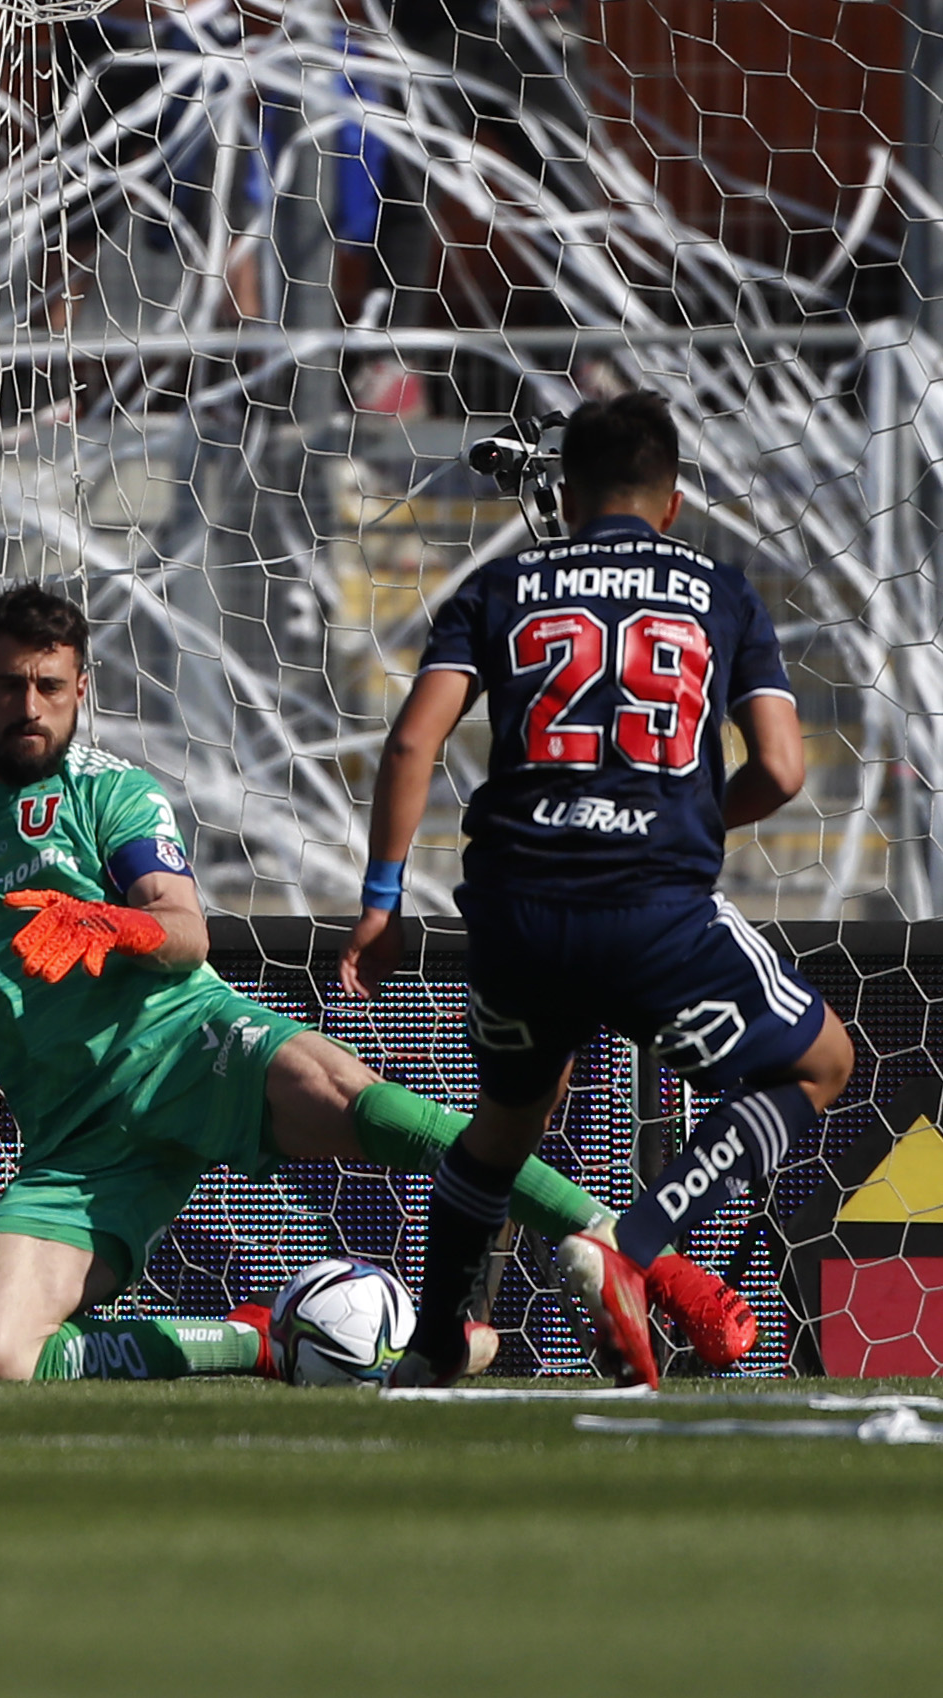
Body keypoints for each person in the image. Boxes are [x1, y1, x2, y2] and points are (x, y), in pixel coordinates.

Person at [0, 584, 747, 1381]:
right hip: (79, 1136)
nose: (29, 706)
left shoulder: (114, 796)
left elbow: (186, 934)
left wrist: (103, 923)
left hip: (192, 1049)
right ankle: (257, 1343)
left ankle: (649, 1260)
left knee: (378, 1108)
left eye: (50, 687)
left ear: (81, 692)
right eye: (9, 685)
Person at [340, 390, 856, 1388]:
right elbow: (784, 769)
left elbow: (410, 743)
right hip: (654, 912)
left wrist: (381, 904)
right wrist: (689, 818)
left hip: (517, 911)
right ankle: (632, 1242)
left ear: (565, 498)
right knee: (821, 1061)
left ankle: (435, 1344)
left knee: (506, 1124)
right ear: (673, 503)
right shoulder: (721, 590)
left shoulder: (501, 585)